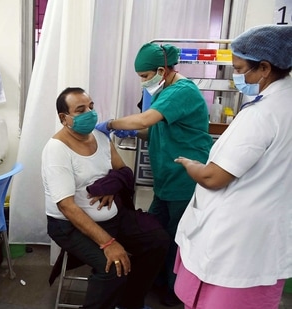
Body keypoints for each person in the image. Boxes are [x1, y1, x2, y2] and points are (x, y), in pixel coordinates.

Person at [173, 24, 292, 309]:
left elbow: (214, 177)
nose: (237, 76)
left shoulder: (262, 114)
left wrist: (190, 164)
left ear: (264, 67)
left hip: (237, 238)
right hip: (266, 229)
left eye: (239, 69)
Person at [96, 42, 213, 306]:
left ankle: (174, 293)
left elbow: (145, 119)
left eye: (145, 77)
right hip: (167, 181)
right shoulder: (167, 91)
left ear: (162, 70)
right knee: (155, 233)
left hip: (185, 179)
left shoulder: (182, 91)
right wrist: (132, 132)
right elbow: (155, 128)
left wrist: (112, 124)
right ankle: (155, 282)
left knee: (176, 239)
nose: (143, 83)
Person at [42, 87, 169, 309]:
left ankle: (129, 302)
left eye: (91, 107)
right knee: (113, 266)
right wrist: (108, 243)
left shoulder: (100, 137)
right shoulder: (57, 150)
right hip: (69, 226)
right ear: (64, 118)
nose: (90, 113)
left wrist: (112, 185)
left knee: (158, 240)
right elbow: (66, 206)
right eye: (80, 110)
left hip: (112, 218)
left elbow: (122, 171)